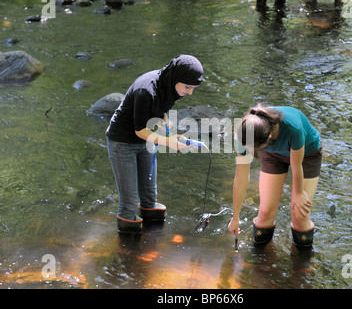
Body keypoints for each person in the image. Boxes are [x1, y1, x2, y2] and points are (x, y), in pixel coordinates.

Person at [106, 55, 204, 234]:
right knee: (129, 202)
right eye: (188, 87)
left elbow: (160, 106)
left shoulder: (171, 85)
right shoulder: (147, 90)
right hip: (123, 141)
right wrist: (169, 142)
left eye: (194, 88)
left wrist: (164, 118)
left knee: (149, 197)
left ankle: (151, 244)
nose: (190, 92)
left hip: (147, 139)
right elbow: (139, 130)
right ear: (176, 78)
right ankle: (130, 254)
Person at [228, 104, 322, 248]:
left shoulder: (292, 128)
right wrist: (235, 217)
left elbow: (296, 166)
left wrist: (298, 193)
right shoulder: (246, 134)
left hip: (307, 154)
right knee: (265, 213)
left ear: (269, 138)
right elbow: (240, 178)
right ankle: (261, 263)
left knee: (299, 215)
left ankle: (302, 263)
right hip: (274, 156)